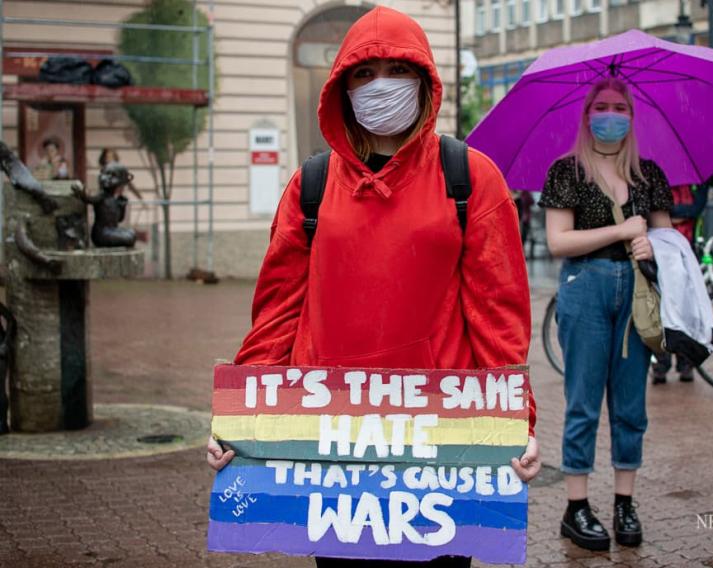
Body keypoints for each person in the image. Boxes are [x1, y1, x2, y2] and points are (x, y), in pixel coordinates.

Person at [206, 6, 541, 567]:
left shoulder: (472, 178)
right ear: (341, 88)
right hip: (328, 442)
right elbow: (276, 314)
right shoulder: (308, 187)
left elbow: (498, 316)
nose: (380, 85)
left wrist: (517, 423)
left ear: (424, 82)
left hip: (441, 442)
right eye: (364, 73)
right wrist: (239, 421)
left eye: (397, 69)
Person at [539, 77, 673, 551]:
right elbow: (559, 241)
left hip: (636, 294)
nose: (610, 114)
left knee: (630, 406)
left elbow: (670, 245)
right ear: (587, 114)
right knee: (582, 400)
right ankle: (576, 507)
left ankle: (623, 501)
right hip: (585, 288)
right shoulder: (567, 170)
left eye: (620, 107)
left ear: (632, 117)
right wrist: (619, 233)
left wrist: (649, 242)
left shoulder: (649, 174)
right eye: (601, 106)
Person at [651, 183, 708, 385]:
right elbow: (653, 210)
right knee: (660, 305)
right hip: (660, 250)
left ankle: (685, 362)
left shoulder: (695, 181)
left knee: (686, 306)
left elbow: (696, 208)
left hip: (686, 248)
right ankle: (661, 362)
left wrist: (671, 213)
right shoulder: (654, 177)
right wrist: (673, 214)